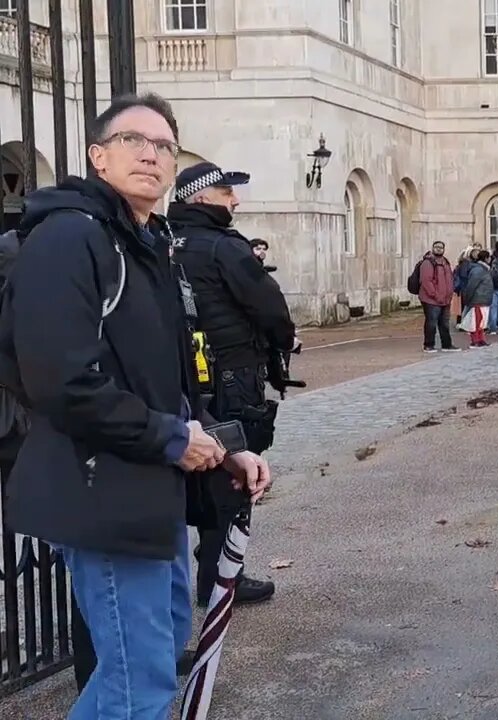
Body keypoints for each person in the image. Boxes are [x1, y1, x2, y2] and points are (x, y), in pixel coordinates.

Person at [0, 92, 271, 717]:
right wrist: (176, 440)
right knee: (137, 683)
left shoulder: (148, 243)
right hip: (102, 493)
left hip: (149, 492)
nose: (151, 155)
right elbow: (62, 382)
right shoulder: (70, 239)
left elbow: (168, 383)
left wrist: (220, 446)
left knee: (145, 668)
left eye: (164, 147)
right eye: (133, 142)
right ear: (98, 156)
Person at [169, 161, 298, 608]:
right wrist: (285, 340)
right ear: (201, 198)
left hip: (183, 376)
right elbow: (268, 305)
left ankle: (208, 570)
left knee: (199, 469)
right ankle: (222, 577)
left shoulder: (164, 240)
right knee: (237, 473)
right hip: (233, 374)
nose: (235, 200)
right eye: (227, 193)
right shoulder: (224, 247)